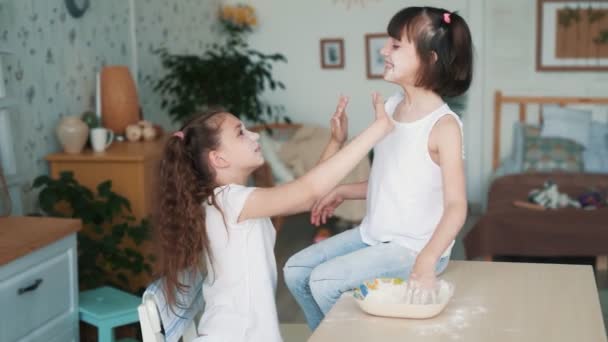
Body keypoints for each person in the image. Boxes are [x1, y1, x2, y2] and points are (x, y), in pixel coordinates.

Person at [283, 6, 473, 330]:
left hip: (415, 248)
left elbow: (457, 206)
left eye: (396, 45)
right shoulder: (390, 107)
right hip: (374, 235)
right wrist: (343, 190)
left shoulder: (444, 127)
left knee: (324, 281)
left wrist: (427, 260)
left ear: (430, 59)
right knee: (296, 270)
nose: (384, 50)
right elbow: (391, 181)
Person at [154, 93, 393, 342]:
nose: (255, 136)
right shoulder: (230, 201)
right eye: (240, 133)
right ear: (219, 159)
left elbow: (303, 191)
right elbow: (308, 193)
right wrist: (377, 130)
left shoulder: (230, 200)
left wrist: (335, 142)